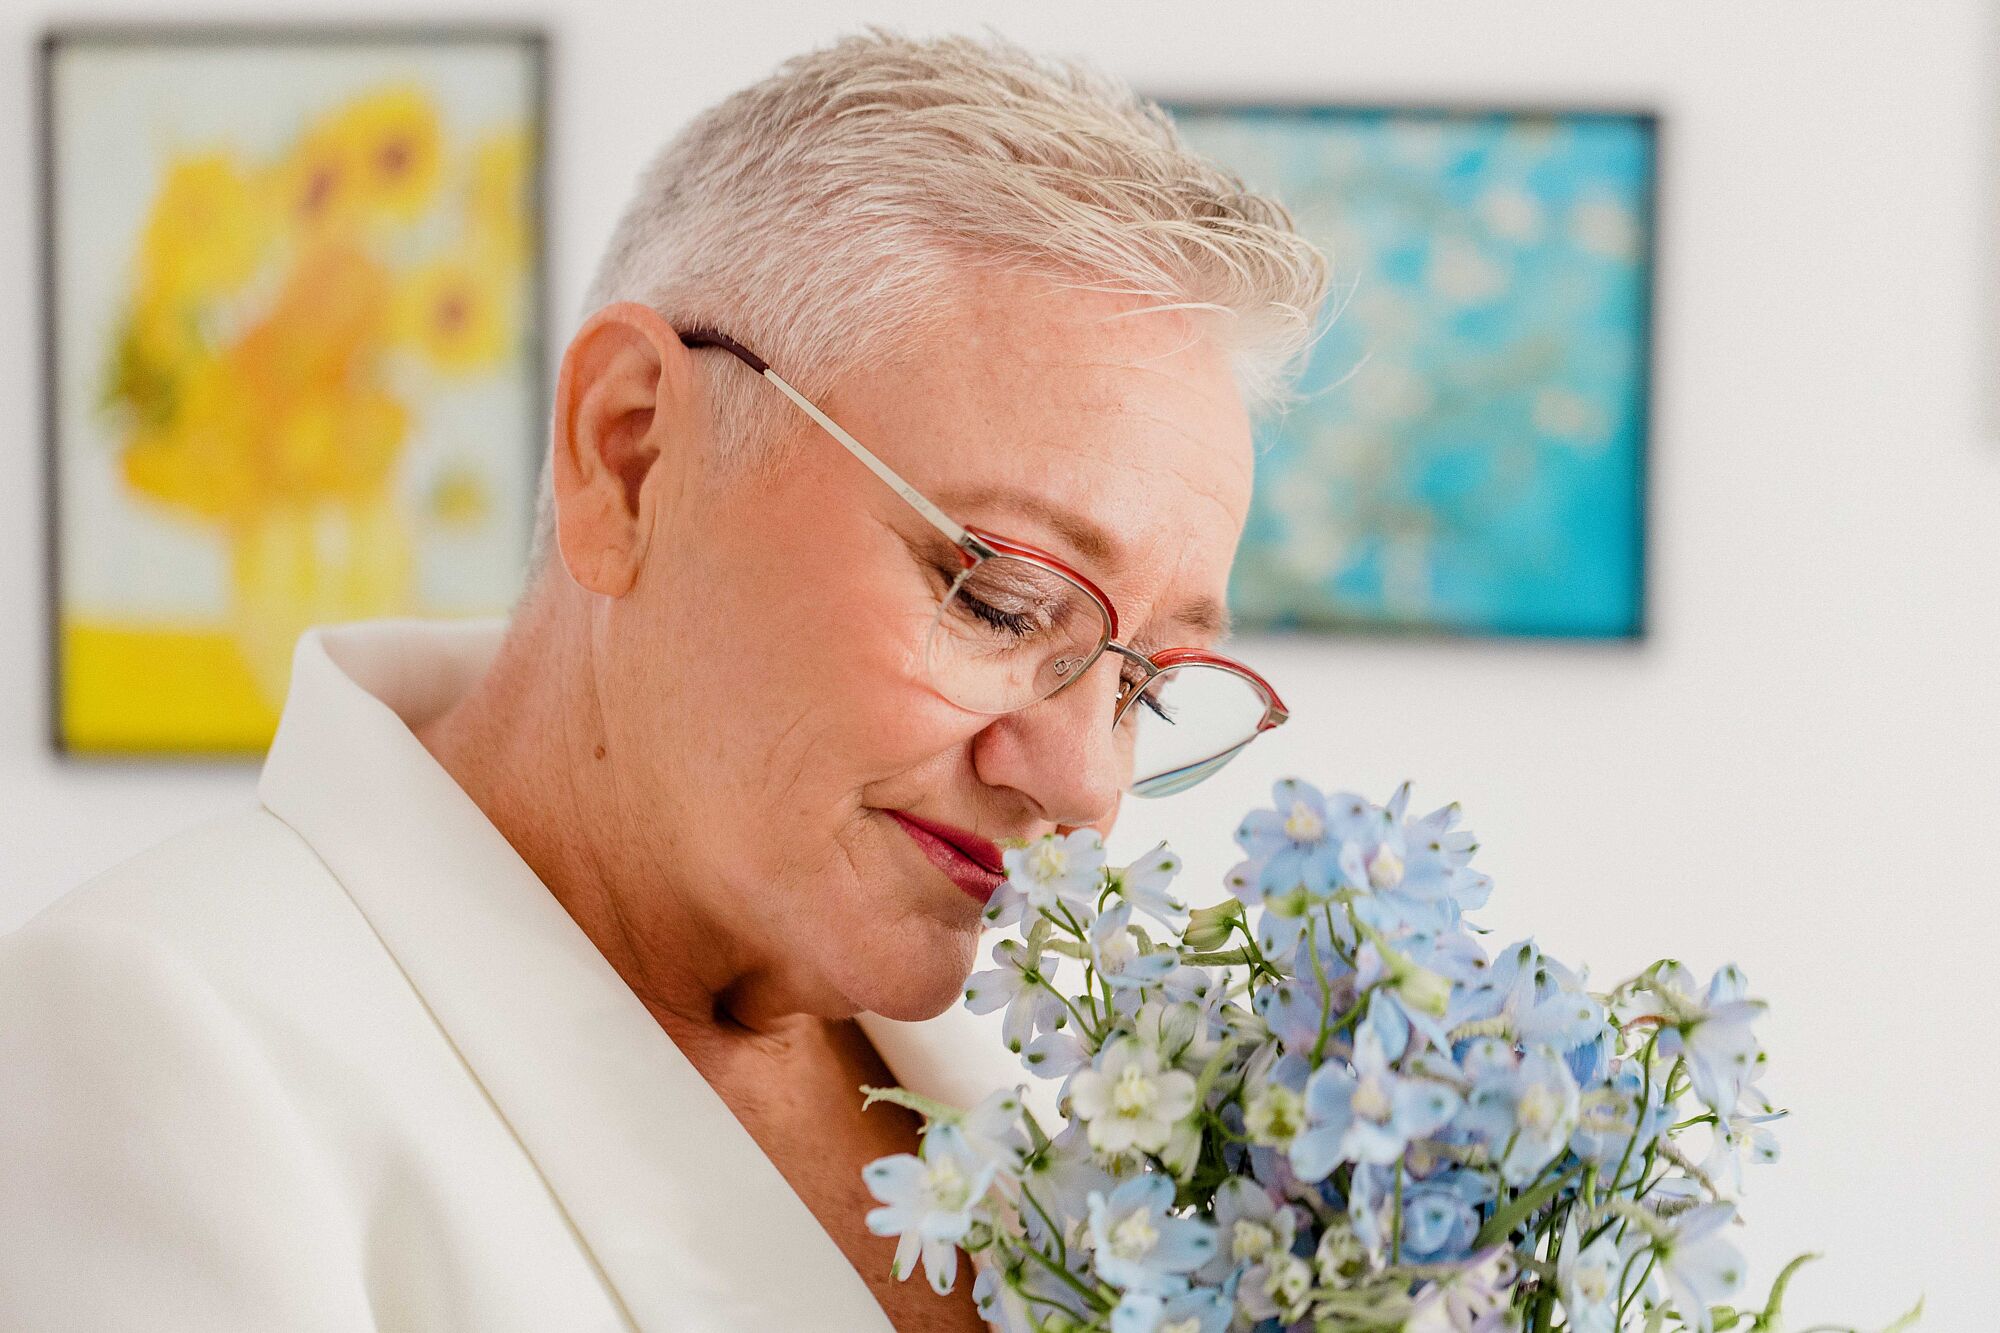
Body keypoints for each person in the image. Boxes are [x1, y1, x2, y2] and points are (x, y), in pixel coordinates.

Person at [0, 26, 1327, 1330]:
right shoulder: (154, 1041)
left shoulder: (1058, 1112)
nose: (1086, 784)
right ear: (629, 454)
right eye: (998, 599)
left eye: (1141, 688)